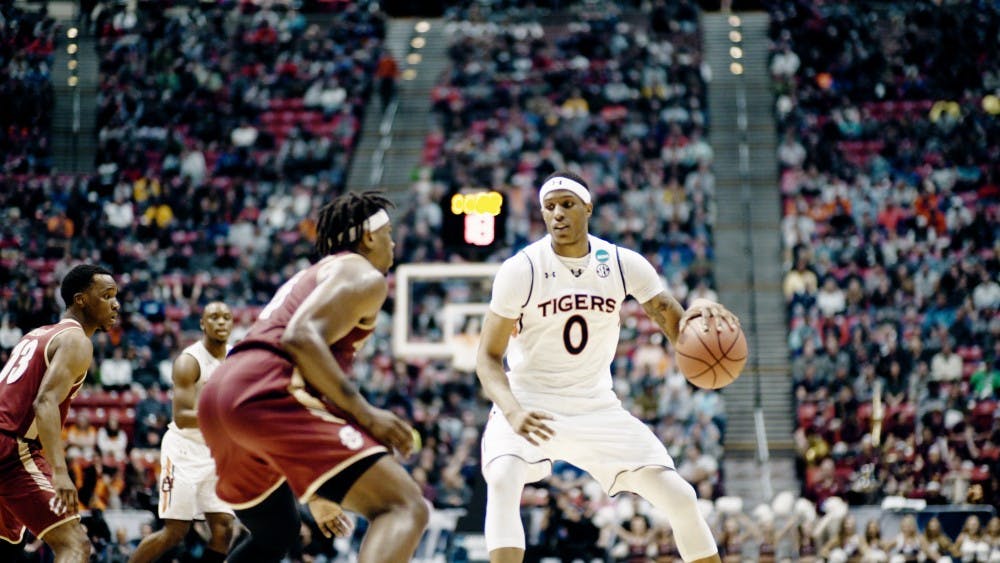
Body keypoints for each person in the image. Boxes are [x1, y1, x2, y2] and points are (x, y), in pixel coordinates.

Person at [476, 171, 739, 563]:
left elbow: (675, 325)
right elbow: (487, 357)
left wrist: (699, 315)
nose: (558, 214)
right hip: (529, 401)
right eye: (549, 207)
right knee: (502, 479)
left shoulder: (621, 263)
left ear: (588, 207)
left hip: (596, 406)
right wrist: (512, 409)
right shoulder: (522, 269)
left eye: (567, 204)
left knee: (681, 497)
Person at [198, 191, 428, 563]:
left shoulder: (315, 274)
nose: (394, 243)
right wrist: (367, 415)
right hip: (264, 389)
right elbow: (300, 338)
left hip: (220, 396)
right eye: (389, 234)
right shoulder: (362, 273)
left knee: (276, 531)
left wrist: (317, 495)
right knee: (403, 506)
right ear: (369, 237)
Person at [0, 264, 119, 562]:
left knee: (7, 546)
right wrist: (61, 472)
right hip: (13, 449)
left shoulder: (36, 334)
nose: (116, 304)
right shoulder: (77, 340)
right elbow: (45, 402)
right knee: (74, 545)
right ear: (81, 300)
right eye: (106, 296)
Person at [129, 302, 236, 563]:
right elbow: (182, 417)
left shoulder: (237, 358)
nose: (221, 322)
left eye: (226, 317)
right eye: (214, 317)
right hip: (184, 451)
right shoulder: (190, 361)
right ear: (202, 324)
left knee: (224, 529)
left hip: (216, 453)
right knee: (175, 532)